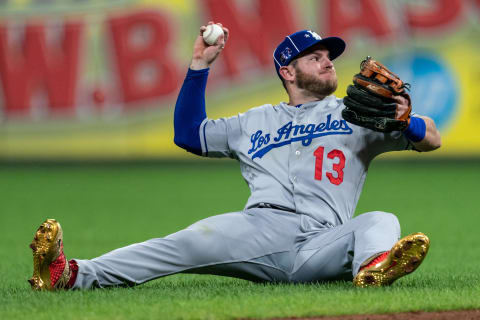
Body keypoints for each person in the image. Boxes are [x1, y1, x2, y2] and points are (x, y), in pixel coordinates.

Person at [28, 22, 441, 291]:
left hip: (324, 241)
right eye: (314, 57)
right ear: (288, 71)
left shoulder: (357, 115)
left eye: (329, 57)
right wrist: (198, 66)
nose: (327, 62)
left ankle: (372, 271)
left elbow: (432, 138)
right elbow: (189, 134)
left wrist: (405, 124)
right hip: (259, 228)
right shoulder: (254, 120)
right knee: (181, 243)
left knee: (381, 220)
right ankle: (69, 275)